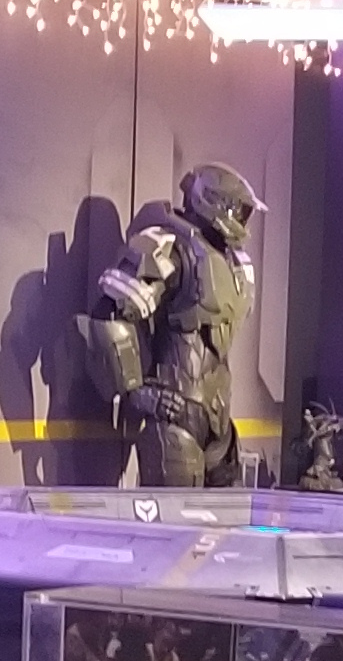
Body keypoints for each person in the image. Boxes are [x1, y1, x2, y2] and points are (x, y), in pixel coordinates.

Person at [82, 162, 263, 486]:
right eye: (237, 209)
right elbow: (110, 315)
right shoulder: (169, 247)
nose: (241, 218)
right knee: (174, 516)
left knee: (226, 517)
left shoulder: (235, 262)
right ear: (212, 201)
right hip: (175, 414)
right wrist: (136, 392)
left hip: (219, 420)